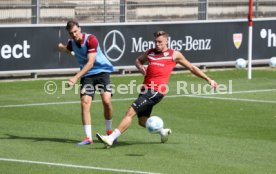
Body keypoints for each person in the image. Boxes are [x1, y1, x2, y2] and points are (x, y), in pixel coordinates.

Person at [96, 30, 218, 148]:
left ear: (166, 42)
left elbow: (191, 67)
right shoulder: (150, 52)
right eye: (155, 42)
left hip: (156, 91)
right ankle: (162, 132)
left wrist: (209, 79)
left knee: (130, 112)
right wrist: (140, 67)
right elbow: (138, 60)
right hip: (145, 90)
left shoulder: (174, 54)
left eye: (160, 42)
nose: (157, 44)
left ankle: (111, 138)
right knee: (142, 121)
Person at [58, 20, 114, 145]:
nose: (74, 34)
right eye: (71, 33)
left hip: (102, 72)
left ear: (80, 29)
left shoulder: (91, 39)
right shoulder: (71, 43)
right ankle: (88, 138)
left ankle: (109, 131)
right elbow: (68, 50)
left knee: (106, 101)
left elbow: (90, 63)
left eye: (75, 31)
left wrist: (75, 77)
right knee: (85, 102)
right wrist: (61, 48)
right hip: (87, 76)